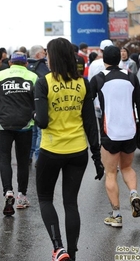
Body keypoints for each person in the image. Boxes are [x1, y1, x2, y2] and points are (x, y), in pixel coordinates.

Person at [34, 37, 103, 261]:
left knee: (45, 199)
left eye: (48, 54)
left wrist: (34, 115)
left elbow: (42, 121)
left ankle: (58, 248)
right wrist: (97, 156)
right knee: (70, 203)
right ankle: (71, 254)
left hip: (51, 150)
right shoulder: (83, 83)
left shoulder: (44, 82)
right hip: (78, 151)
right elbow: (90, 123)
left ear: (53, 58)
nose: (46, 58)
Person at [90, 45, 140, 229]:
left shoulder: (98, 79)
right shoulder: (131, 76)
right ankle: (133, 194)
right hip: (130, 131)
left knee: (111, 172)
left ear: (104, 60)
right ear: (120, 59)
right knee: (127, 167)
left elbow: (86, 104)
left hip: (110, 132)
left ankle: (116, 215)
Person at [0, 52, 37, 215]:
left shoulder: (0, 75)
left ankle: (8, 192)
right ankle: (21, 196)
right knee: (22, 161)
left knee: (5, 159)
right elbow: (39, 98)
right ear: (26, 63)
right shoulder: (33, 76)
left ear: (11, 63)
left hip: (3, 123)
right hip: (25, 124)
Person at [26, 45, 49, 167]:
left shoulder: (25, 67)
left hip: (27, 105)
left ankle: (28, 156)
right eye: (44, 53)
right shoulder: (43, 68)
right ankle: (38, 158)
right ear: (38, 55)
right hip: (39, 104)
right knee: (40, 132)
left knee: (31, 132)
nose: (45, 55)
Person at [88, 39, 113, 119]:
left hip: (98, 101)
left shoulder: (94, 64)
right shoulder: (118, 63)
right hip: (114, 102)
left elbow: (90, 82)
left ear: (100, 50)